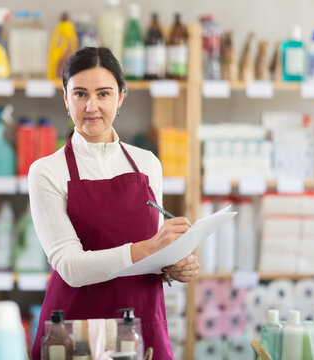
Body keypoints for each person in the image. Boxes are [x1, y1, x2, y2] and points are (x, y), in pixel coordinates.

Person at [29, 47, 199, 360]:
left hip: (140, 321)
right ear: (66, 99)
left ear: (120, 97)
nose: (91, 106)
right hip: (75, 329)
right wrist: (150, 247)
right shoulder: (47, 171)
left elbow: (155, 249)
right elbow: (70, 267)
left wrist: (173, 265)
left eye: (103, 94)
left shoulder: (147, 163)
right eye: (80, 94)